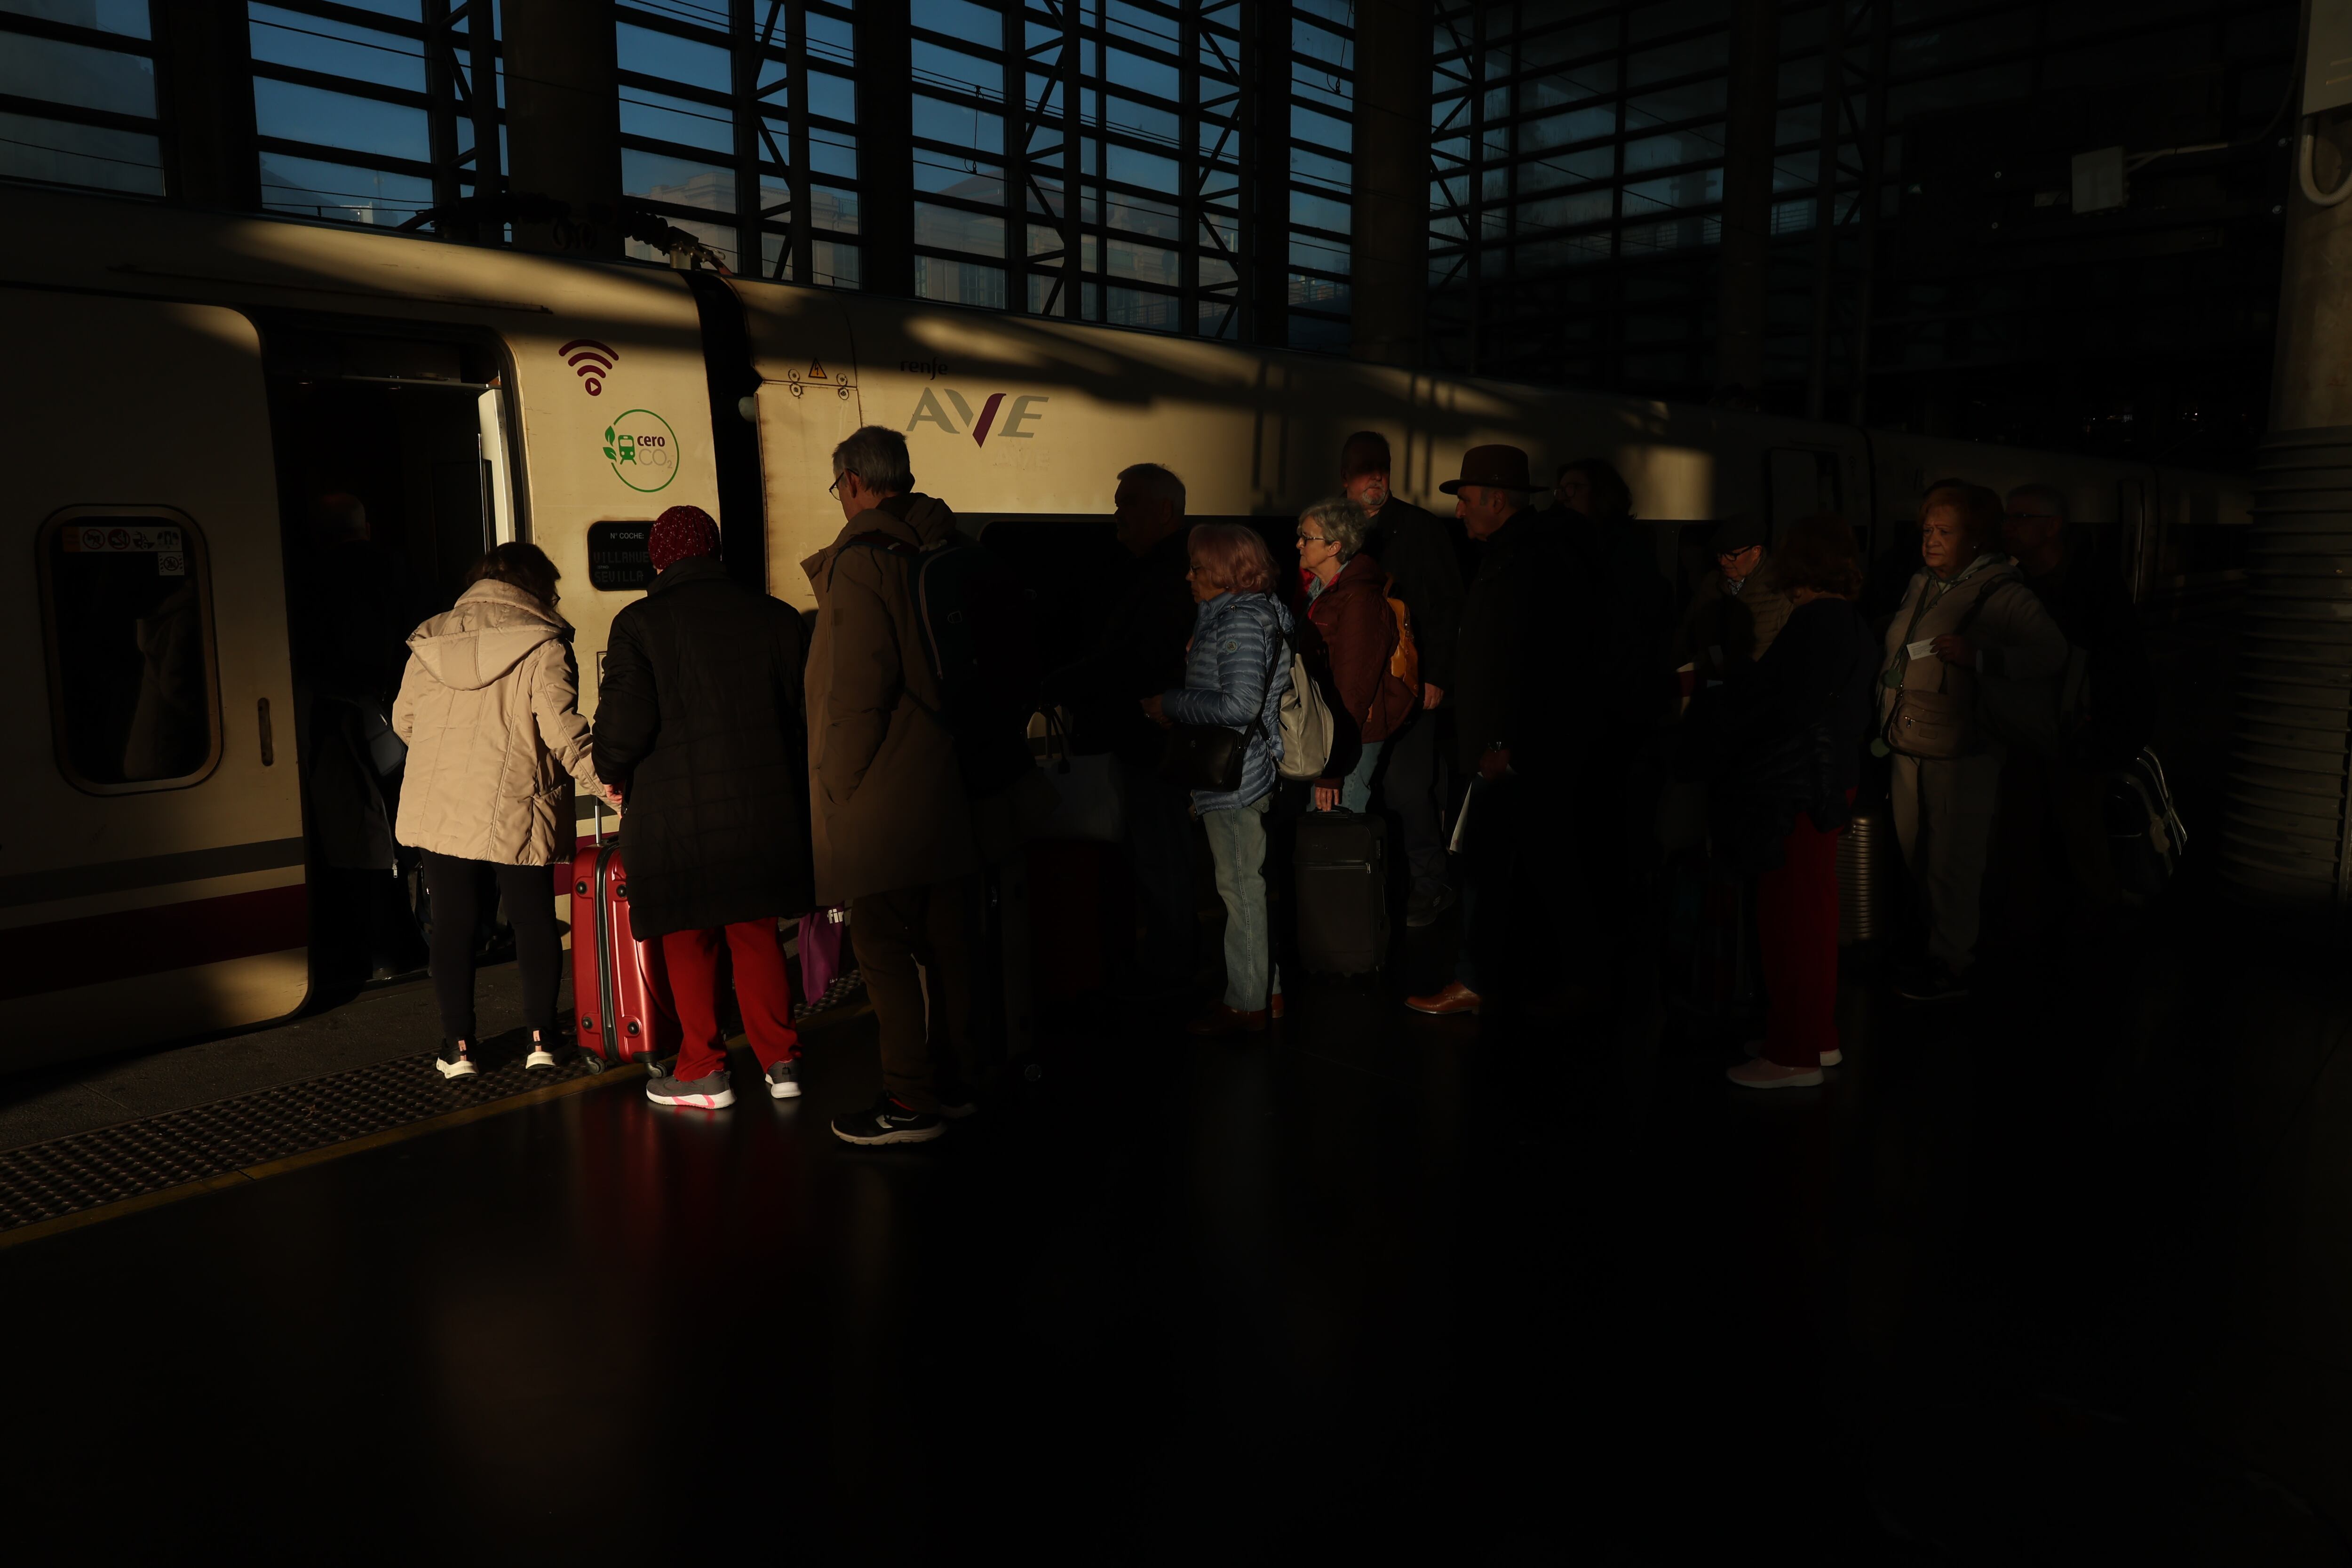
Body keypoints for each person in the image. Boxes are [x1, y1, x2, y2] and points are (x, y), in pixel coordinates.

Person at [592, 505, 814, 1111]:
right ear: (714, 553)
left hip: (676, 815)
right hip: (762, 808)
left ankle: (703, 1070)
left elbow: (622, 728)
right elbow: (802, 722)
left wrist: (610, 770)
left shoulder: (640, 623)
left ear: (659, 558)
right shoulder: (777, 618)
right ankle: (782, 1061)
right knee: (756, 931)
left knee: (689, 937)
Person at [804, 427, 985, 1144]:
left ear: (852, 482)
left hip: (886, 794)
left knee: (880, 943)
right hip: (950, 782)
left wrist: (838, 787)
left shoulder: (864, 563)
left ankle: (910, 1102)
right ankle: (959, 1081)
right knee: (949, 946)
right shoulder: (945, 546)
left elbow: (857, 692)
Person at [390, 542, 607, 1080]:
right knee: (533, 921)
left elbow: (404, 721)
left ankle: (458, 1047)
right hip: (517, 798)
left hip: (442, 802)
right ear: (536, 586)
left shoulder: (430, 639)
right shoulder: (543, 641)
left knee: (454, 925)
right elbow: (561, 732)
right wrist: (609, 783)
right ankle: (540, 1037)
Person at [1676, 516, 1879, 1088]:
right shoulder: (1849, 622)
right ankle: (1816, 1038)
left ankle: (1792, 1054)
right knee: (1813, 913)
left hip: (1797, 786)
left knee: (1789, 917)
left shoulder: (1814, 623)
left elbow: (1778, 707)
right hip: (1829, 780)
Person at [1406, 446, 1580, 1017]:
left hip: (1504, 749)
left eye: (1464, 500)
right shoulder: (1514, 553)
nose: (1458, 512)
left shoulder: (1524, 560)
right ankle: (1507, 980)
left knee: (1487, 864)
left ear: (1495, 501)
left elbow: (1526, 661)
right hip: (1502, 745)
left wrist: (1501, 743)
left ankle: (1476, 980)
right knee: (1503, 865)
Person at [1880, 482, 2068, 1001]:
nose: (1930, 542)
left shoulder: (2001, 592)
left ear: (1975, 538)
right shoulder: (1921, 583)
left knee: (1951, 858)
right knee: (1915, 850)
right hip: (1908, 738)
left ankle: (1951, 962)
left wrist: (1982, 658)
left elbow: (2050, 653)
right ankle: (1930, 945)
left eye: (1944, 532)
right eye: (1926, 531)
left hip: (1962, 746)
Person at [1040, 463, 1201, 992]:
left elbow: (1133, 659)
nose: (1117, 512)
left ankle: (1170, 967)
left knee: (1161, 856)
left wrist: (1056, 683)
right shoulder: (1153, 570)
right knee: (1154, 855)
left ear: (1165, 511)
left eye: (1128, 502)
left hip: (1154, 742)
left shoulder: (1169, 577)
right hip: (1144, 740)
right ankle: (1164, 958)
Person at [1142, 523, 1294, 1035]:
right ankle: (1263, 996)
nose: (1189, 576)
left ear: (1227, 571)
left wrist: (1170, 702)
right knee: (1244, 887)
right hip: (1239, 772)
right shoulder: (1238, 616)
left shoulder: (1240, 623)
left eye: (1199, 567)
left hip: (1236, 776)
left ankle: (1246, 1005)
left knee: (1239, 890)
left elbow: (1239, 704)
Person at [1986, 483, 2157, 925]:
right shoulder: (2013, 580)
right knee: (2021, 822)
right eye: (2008, 517)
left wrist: (2102, 728)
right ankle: (2030, 913)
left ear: (2053, 526)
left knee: (2079, 824)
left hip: (2078, 729)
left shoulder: (2094, 582)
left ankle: (2100, 917)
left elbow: (2120, 665)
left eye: (2021, 518)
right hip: (2029, 727)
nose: (2009, 526)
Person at [1338, 432, 1467, 924]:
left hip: (1407, 681)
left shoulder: (1418, 529)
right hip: (1355, 686)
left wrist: (1435, 675)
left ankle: (1429, 884)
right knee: (1365, 786)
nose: (1376, 476)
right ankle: (1376, 885)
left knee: (1409, 786)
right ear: (1344, 478)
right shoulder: (1335, 528)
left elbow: (1446, 605)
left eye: (1382, 466)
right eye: (1364, 467)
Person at [1296, 497, 1415, 812]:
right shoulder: (1321, 592)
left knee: (1335, 838)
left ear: (1335, 547)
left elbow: (1354, 689)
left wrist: (1334, 770)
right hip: (1325, 733)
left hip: (1350, 740)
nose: (1299, 544)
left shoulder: (1359, 601)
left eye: (1307, 538)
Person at [1672, 515, 1794, 684]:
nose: (1723, 561)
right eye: (1720, 554)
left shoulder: (1780, 591)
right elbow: (1686, 636)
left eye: (1732, 555)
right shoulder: (1711, 585)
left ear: (1756, 552)